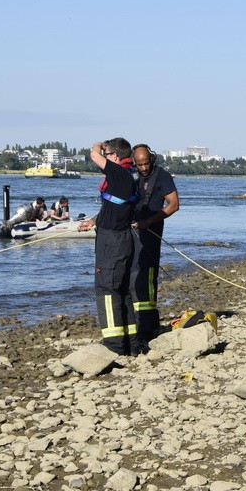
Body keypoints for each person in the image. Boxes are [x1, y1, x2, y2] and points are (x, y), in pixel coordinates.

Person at [77, 138, 139, 355]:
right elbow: (114, 204)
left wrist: (97, 145)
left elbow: (94, 156)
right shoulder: (130, 175)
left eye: (108, 154)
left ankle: (114, 347)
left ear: (114, 156)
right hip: (120, 238)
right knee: (122, 290)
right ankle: (131, 344)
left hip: (112, 241)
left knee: (107, 290)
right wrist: (93, 221)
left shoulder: (120, 173)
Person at [130, 143, 180, 351]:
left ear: (152, 159)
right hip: (131, 232)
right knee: (132, 277)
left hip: (150, 233)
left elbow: (174, 204)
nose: (143, 168)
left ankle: (148, 326)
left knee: (147, 277)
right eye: (139, 165)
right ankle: (136, 324)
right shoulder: (131, 176)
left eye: (146, 163)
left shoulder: (162, 176)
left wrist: (150, 221)